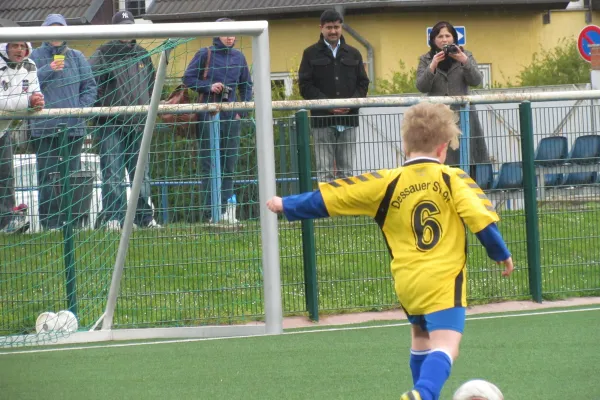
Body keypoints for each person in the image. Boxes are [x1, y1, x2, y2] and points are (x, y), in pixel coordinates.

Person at [266, 102, 514, 400]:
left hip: (408, 282)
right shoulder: (453, 179)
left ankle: (422, 394)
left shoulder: (386, 182)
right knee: (447, 346)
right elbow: (481, 219)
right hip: (444, 280)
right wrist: (500, 252)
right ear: (443, 148)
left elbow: (334, 196)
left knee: (421, 338)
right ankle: (423, 393)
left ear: (404, 144)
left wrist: (287, 204)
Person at [89, 10, 161, 231]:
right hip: (110, 123)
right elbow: (91, 86)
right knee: (112, 171)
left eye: (129, 25)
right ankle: (113, 217)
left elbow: (150, 85)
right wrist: (103, 108)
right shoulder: (102, 54)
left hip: (138, 123)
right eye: (122, 26)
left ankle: (144, 218)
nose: (126, 30)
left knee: (141, 173)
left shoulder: (142, 54)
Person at [29, 14, 97, 231]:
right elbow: (27, 85)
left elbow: (90, 86)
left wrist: (80, 111)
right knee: (47, 177)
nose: (56, 34)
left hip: (73, 128)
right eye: (52, 29)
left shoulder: (77, 57)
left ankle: (73, 222)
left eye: (60, 29)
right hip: (44, 128)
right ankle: (50, 223)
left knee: (71, 176)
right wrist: (49, 68)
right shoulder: (33, 57)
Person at [183, 17, 253, 225]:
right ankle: (210, 211)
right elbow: (187, 79)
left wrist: (243, 110)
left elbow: (247, 85)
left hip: (231, 118)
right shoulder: (205, 53)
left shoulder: (240, 57)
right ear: (217, 34)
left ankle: (228, 210)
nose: (230, 37)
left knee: (229, 164)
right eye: (226, 33)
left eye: (233, 33)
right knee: (209, 164)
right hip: (207, 117)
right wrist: (209, 86)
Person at [298, 9, 370, 183]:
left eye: (336, 27)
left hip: (349, 120)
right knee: (325, 173)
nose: (333, 31)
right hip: (322, 121)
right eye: (329, 27)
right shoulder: (310, 54)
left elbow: (363, 83)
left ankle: (347, 210)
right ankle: (326, 210)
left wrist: (350, 104)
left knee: (347, 173)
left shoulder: (354, 53)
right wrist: (328, 105)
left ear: (341, 27)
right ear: (321, 28)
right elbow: (305, 86)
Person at [416, 21, 490, 170]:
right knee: (441, 158)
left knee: (467, 157)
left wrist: (464, 61)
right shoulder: (426, 59)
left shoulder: (466, 55)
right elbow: (421, 86)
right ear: (433, 40)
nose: (444, 40)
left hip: (464, 116)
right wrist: (433, 65)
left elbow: (476, 80)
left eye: (447, 36)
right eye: (440, 36)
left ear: (454, 38)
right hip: (438, 118)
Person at [0, 41, 45, 234]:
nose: (19, 50)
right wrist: (28, 101)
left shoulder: (30, 66)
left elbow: (36, 94)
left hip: (3, 130)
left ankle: (6, 222)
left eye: (23, 46)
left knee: (7, 177)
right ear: (5, 47)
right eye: (15, 45)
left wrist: (37, 101)